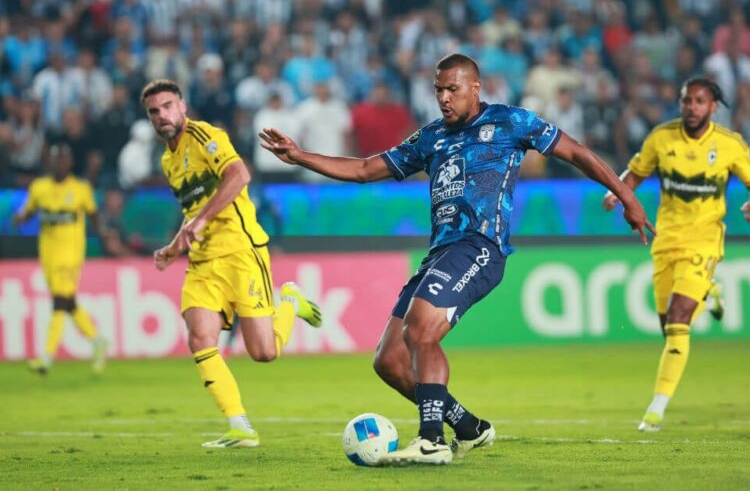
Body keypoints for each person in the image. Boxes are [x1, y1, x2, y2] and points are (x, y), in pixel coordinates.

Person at [259, 53, 654, 465]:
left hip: (480, 245)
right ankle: (468, 427)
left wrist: (628, 198)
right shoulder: (430, 138)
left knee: (421, 333)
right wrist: (300, 156)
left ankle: (431, 439)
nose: (444, 98)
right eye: (438, 90)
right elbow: (362, 169)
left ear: (475, 88)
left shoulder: (511, 122)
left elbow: (578, 154)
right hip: (440, 252)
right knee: (390, 361)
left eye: (452, 89)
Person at [140, 79, 322, 449]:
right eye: (154, 111)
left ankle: (289, 301)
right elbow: (192, 212)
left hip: (241, 251)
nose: (162, 116)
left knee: (264, 353)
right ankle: (240, 427)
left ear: (182, 105)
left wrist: (202, 221)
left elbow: (240, 175)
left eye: (167, 106)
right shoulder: (167, 160)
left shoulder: (207, 136)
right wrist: (175, 246)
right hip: (203, 261)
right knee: (200, 338)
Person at [603, 77, 750, 432]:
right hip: (665, 239)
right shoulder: (662, 137)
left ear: (713, 106)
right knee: (668, 328)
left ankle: (656, 408)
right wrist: (619, 193)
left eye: (699, 102)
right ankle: (709, 291)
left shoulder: (729, 144)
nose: (692, 107)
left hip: (704, 239)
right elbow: (636, 171)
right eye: (687, 101)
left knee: (680, 319)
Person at [12, 143, 108, 375]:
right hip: (48, 254)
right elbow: (28, 212)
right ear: (50, 162)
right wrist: (19, 218)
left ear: (70, 163)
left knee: (59, 302)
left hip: (71, 253)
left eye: (63, 159)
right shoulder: (39, 187)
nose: (60, 163)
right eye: (56, 159)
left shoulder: (81, 189)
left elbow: (94, 216)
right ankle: (97, 341)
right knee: (67, 302)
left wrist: (104, 236)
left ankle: (46, 357)